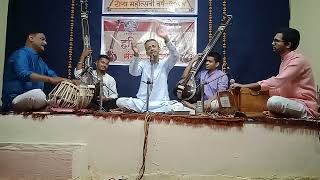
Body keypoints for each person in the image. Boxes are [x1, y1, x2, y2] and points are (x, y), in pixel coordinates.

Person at [230, 28, 319, 119]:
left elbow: (277, 81)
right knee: (267, 100)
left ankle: (307, 115)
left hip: (304, 106)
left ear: (288, 44)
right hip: (290, 103)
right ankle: (280, 114)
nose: (272, 43)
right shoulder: (284, 61)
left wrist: (244, 86)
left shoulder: (298, 61)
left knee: (273, 101)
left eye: (276, 41)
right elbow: (279, 87)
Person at [116, 26, 180, 113]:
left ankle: (144, 111)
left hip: (161, 103)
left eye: (154, 46)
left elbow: (175, 55)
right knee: (120, 101)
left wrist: (166, 38)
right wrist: (136, 55)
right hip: (143, 103)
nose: (152, 49)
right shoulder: (143, 63)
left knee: (179, 106)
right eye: (149, 48)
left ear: (158, 49)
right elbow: (133, 73)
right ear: (146, 52)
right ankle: (149, 111)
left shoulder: (165, 64)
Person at [1, 31, 67, 112]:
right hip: (14, 99)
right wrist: (50, 79)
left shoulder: (40, 61)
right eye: (42, 39)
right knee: (38, 94)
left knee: (58, 99)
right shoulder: (20, 54)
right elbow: (23, 74)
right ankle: (45, 104)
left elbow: (53, 75)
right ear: (31, 38)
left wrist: (68, 81)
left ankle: (45, 104)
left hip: (33, 98)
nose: (45, 43)